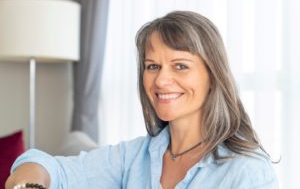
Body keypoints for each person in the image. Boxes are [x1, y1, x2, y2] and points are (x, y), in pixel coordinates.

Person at [6, 11, 278, 189]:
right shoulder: (133, 158)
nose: (160, 80)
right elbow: (54, 169)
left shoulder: (248, 171)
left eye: (180, 66)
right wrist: (30, 181)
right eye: (152, 66)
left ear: (213, 75)